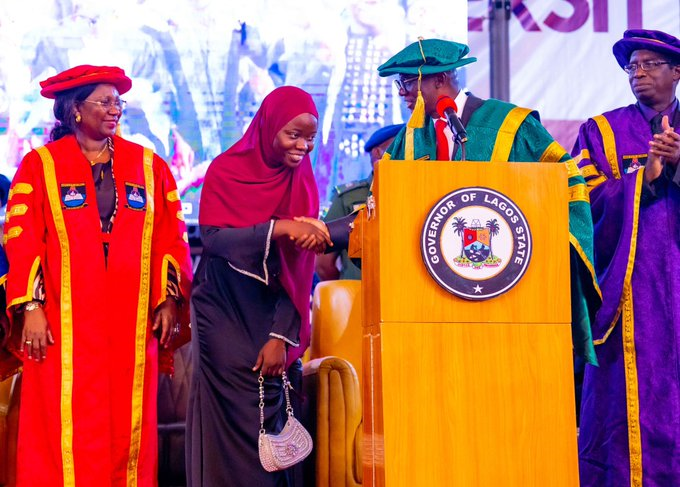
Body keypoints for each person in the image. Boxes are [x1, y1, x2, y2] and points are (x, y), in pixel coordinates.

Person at [3, 65, 192, 486]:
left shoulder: (148, 166)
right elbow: (22, 238)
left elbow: (171, 235)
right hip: (61, 320)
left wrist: (169, 296)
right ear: (75, 110)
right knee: (60, 421)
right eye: (104, 101)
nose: (115, 110)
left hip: (130, 321)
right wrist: (31, 307)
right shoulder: (41, 166)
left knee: (127, 424)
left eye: (118, 102)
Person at [376, 38, 600, 365]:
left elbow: (567, 182)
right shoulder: (408, 140)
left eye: (408, 82)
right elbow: (380, 208)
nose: (402, 92)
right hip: (427, 304)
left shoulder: (511, 125)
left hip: (511, 297)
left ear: (440, 80)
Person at [186, 86, 333, 487]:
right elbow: (214, 239)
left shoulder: (301, 180)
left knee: (272, 414)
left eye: (310, 139)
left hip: (273, 312)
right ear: (268, 129)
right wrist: (282, 227)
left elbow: (300, 270)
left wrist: (281, 336)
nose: (303, 146)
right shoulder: (226, 169)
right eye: (293, 135)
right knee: (233, 417)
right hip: (222, 308)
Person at [572, 29, 680, 487]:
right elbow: (579, 201)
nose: (639, 73)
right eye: (632, 65)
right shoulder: (601, 130)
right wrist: (644, 178)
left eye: (651, 64)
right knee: (620, 407)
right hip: (628, 293)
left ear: (676, 71)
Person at [316, 123, 403, 280]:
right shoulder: (349, 197)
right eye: (399, 146)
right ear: (377, 152)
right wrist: (349, 292)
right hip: (359, 297)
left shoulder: (412, 191)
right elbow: (323, 264)